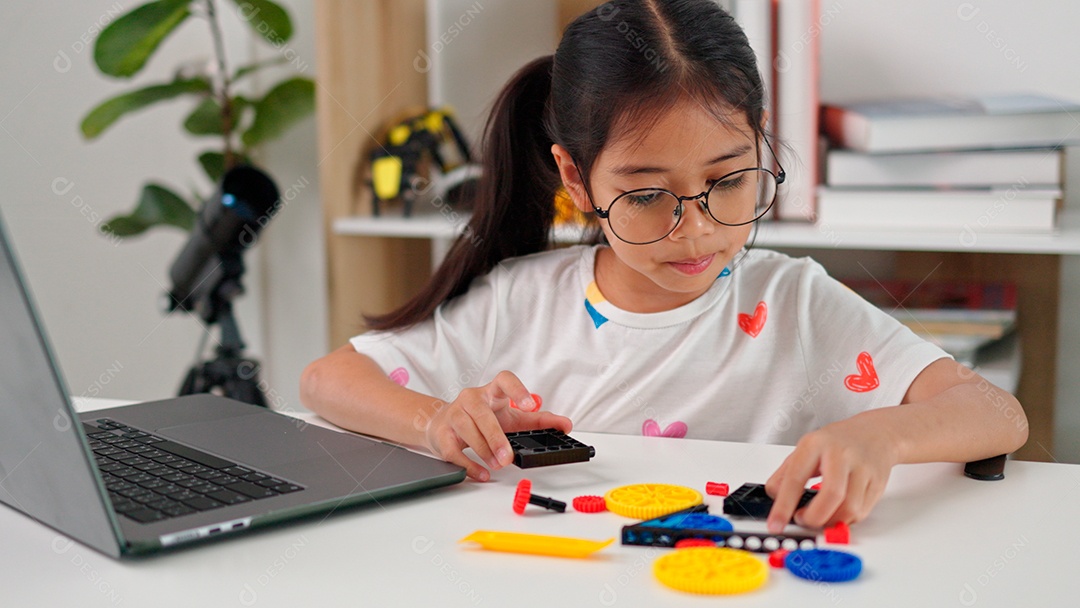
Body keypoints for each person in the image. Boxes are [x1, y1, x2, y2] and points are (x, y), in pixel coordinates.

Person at [301, 0, 1028, 534]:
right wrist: (437, 423)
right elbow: (326, 380)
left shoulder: (794, 301)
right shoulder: (520, 300)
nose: (699, 229)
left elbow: (998, 413)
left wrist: (882, 434)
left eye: (730, 180)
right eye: (648, 196)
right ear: (577, 180)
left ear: (759, 145)